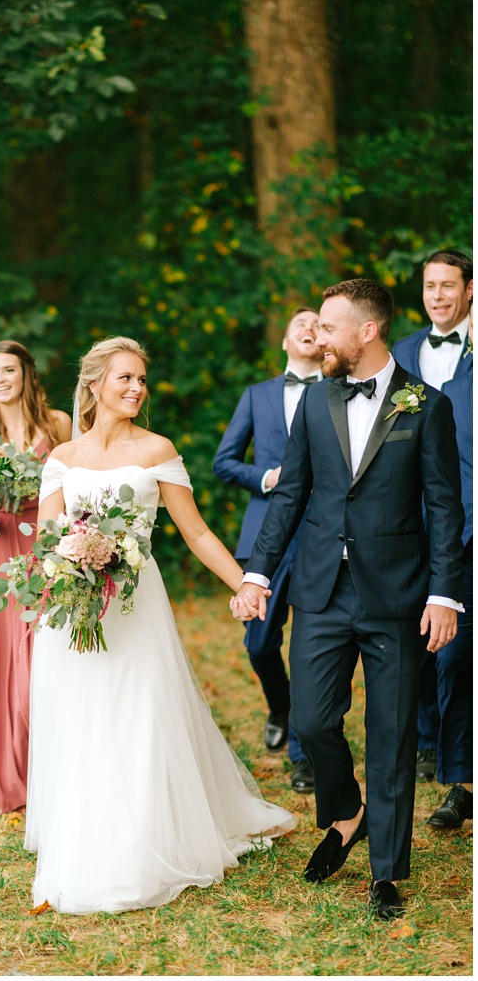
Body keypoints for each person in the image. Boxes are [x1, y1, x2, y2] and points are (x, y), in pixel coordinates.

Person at [28, 336, 295, 914]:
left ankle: (140, 841)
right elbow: (46, 537)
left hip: (133, 601)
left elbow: (195, 532)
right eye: (125, 378)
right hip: (71, 603)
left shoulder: (156, 450)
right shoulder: (62, 457)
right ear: (95, 384)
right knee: (80, 715)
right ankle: (84, 835)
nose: (137, 389)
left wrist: (247, 583)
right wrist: (70, 560)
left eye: (142, 380)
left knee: (138, 712)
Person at [237, 279, 462, 920]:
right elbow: (291, 495)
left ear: (367, 331)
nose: (317, 338)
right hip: (320, 589)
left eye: (328, 328)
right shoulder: (312, 403)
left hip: (397, 593)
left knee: (391, 737)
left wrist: (444, 594)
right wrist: (258, 574)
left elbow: (446, 508)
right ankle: (346, 812)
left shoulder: (427, 406)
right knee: (310, 722)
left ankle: (386, 873)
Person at [212, 308, 322, 794]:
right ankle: (280, 705)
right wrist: (264, 477)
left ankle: (304, 755)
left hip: (322, 533)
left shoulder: (340, 392)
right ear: (284, 340)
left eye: (319, 323)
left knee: (308, 647)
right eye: (300, 322)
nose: (309, 328)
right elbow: (224, 462)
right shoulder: (256, 396)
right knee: (259, 643)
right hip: (265, 538)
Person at [391, 249, 473, 828]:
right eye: (429, 286)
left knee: (459, 653)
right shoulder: (404, 353)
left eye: (449, 285)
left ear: (470, 290)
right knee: (433, 647)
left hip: (471, 513)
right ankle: (450, 768)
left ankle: (459, 782)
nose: (438, 295)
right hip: (415, 520)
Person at [0, 340, 70, 813]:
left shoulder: (58, 425)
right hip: (1, 548)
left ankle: (64, 770)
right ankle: (17, 777)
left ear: (26, 373)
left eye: (8, 370)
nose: (0, 380)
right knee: (13, 663)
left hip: (46, 545)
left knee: (52, 653)